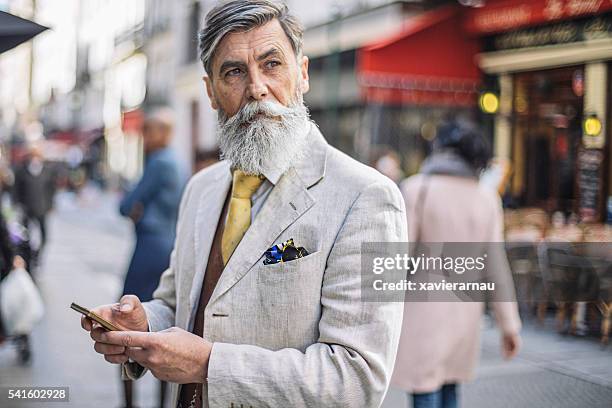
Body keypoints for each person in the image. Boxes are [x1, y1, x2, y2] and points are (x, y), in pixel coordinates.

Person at [81, 1, 407, 407]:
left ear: (302, 74)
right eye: (234, 72)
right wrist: (144, 321)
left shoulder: (369, 198)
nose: (256, 87)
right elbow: (181, 303)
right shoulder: (201, 189)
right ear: (211, 92)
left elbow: (357, 378)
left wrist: (209, 365)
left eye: (272, 65)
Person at [392, 121, 522, 408]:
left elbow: (398, 258)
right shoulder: (486, 198)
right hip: (465, 312)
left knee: (424, 390)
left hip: (422, 311)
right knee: (450, 389)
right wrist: (509, 325)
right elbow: (496, 265)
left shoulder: (418, 189)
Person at [118, 107, 187, 408]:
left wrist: (135, 211)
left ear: (158, 133)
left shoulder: (158, 163)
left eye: (147, 131)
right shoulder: (179, 162)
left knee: (122, 323)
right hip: (170, 249)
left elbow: (127, 204)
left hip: (148, 249)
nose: (144, 138)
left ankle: (129, 402)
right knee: (163, 329)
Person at [13, 144, 56, 258]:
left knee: (43, 234)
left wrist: (51, 204)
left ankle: (38, 253)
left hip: (42, 207)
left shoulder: (47, 171)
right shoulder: (22, 170)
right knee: (25, 233)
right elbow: (16, 189)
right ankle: (26, 254)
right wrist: (16, 203)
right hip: (26, 207)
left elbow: (51, 189)